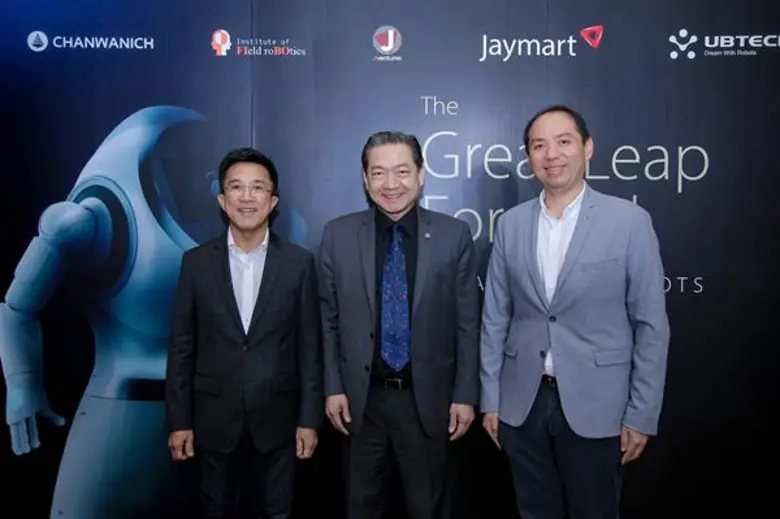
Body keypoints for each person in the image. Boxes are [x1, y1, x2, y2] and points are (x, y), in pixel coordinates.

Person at [480, 105, 670, 519]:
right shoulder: (511, 225)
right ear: (529, 157)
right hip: (523, 405)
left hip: (599, 405)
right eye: (539, 146)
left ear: (588, 148)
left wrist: (641, 414)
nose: (552, 155)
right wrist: (491, 400)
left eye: (563, 142)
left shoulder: (630, 222)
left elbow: (651, 326)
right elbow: (495, 318)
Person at [317, 131, 481, 519]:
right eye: (379, 173)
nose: (391, 184)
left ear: (421, 175)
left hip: (427, 402)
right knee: (361, 506)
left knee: (427, 507)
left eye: (402, 171)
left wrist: (465, 395)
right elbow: (327, 318)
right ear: (365, 179)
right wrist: (333, 387)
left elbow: (468, 323)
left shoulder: (453, 235)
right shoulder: (338, 235)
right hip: (360, 403)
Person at [165, 147, 323, 519]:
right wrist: (179, 421)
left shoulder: (300, 264)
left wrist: (309, 420)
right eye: (236, 187)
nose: (247, 197)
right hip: (213, 421)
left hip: (279, 422)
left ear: (273, 201)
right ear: (223, 200)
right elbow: (181, 348)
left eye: (258, 188)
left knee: (277, 512)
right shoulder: (196, 263)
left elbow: (310, 349)